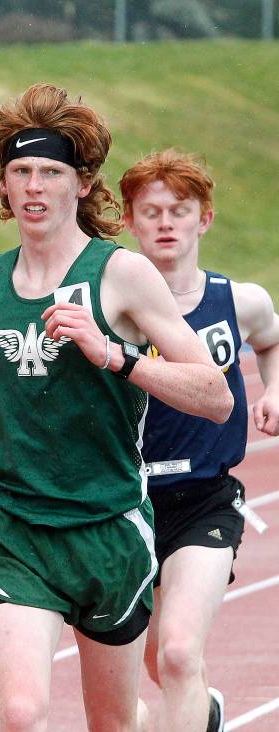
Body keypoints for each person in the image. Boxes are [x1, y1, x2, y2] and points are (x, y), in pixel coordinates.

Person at [0, 83, 233, 731]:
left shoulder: (121, 275)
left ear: (83, 183)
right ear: (3, 185)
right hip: (17, 528)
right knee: (20, 715)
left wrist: (116, 356)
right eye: (20, 171)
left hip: (109, 529)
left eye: (51, 172)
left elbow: (215, 395)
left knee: (113, 723)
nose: (34, 186)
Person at [119, 149, 279, 732]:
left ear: (204, 219)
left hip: (206, 499)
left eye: (179, 210)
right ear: (130, 222)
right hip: (125, 502)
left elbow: (272, 340)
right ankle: (204, 712)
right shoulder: (114, 310)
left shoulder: (240, 301)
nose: (166, 223)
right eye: (151, 211)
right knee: (153, 663)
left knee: (180, 652)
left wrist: (274, 389)